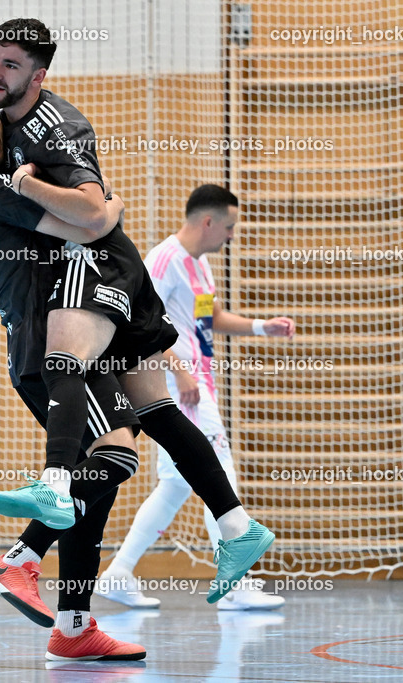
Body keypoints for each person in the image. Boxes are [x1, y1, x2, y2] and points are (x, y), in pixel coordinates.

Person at [0, 19, 276, 608]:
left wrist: (90, 204)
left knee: (112, 438)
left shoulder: (47, 132)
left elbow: (92, 217)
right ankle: (234, 528)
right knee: (147, 426)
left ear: (37, 76)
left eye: (8, 66)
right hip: (97, 286)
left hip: (98, 274)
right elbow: (86, 213)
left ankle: (40, 538)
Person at [0, 77, 145, 661]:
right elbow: (91, 224)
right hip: (48, 342)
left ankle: (74, 628)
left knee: (92, 490)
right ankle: (19, 559)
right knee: (118, 455)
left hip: (69, 331)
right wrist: (113, 209)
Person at [97, 185, 295, 611]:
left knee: (175, 486)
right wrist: (179, 370)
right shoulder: (163, 261)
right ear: (208, 222)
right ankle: (235, 583)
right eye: (229, 227)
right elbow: (137, 322)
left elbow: (210, 318)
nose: (231, 235)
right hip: (175, 384)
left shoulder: (200, 266)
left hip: (197, 381)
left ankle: (118, 573)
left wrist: (263, 327)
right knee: (218, 471)